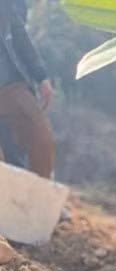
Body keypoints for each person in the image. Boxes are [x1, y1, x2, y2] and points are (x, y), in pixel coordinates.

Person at [0, 0, 56, 179]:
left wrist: (41, 76)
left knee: (39, 138)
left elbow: (19, 34)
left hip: (8, 87)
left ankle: (39, 198)